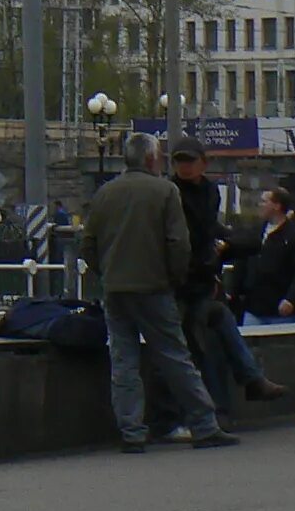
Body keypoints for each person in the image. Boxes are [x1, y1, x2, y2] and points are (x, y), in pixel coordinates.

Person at [79, 130, 237, 454]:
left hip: (116, 290)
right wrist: (174, 278)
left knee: (123, 361)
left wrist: (107, 273)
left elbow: (88, 245)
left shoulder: (105, 193)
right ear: (152, 159)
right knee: (174, 356)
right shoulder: (165, 191)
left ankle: (132, 432)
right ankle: (205, 426)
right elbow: (178, 244)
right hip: (154, 288)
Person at [166, 142, 280, 419]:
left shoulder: (208, 191)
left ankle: (228, 401)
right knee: (207, 338)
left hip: (202, 279)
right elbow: (182, 239)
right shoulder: (171, 193)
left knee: (213, 338)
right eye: (180, 161)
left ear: (203, 163)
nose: (184, 166)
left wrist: (227, 243)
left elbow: (209, 230)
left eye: (190, 161)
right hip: (182, 283)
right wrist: (215, 252)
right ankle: (242, 388)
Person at [240, 186, 295, 324]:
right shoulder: (256, 232)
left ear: (277, 206)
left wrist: (290, 299)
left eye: (264, 201)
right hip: (254, 309)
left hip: (282, 310)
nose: (259, 205)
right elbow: (243, 260)